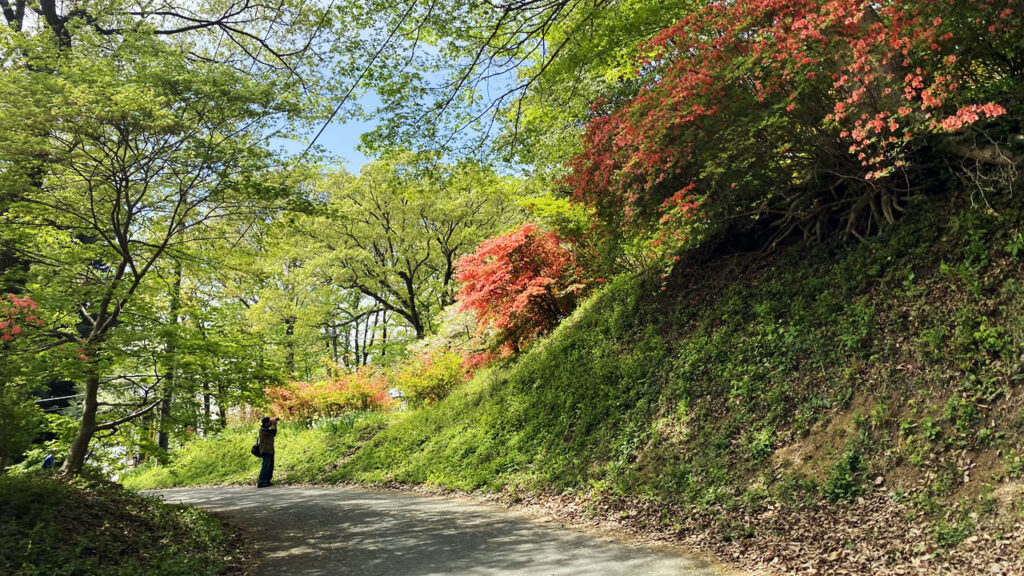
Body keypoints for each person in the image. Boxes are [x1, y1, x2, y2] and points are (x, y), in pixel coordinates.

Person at [257, 416, 279, 488]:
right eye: (269, 422)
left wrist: (274, 424)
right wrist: (273, 424)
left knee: (270, 466)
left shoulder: (266, 429)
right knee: (265, 466)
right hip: (265, 450)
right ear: (266, 423)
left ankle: (267, 481)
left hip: (270, 450)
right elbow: (272, 432)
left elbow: (274, 433)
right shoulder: (263, 430)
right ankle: (261, 481)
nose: (270, 423)